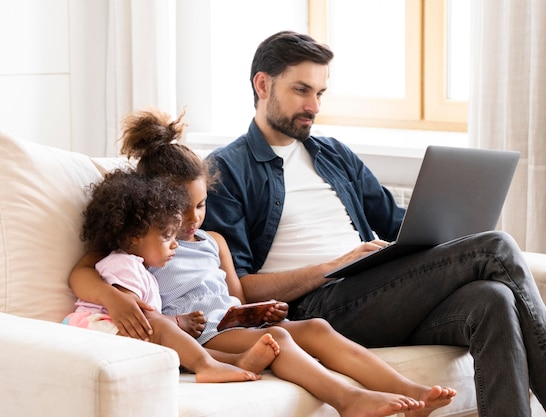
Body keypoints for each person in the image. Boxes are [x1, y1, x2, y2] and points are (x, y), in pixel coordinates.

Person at [200, 30, 546, 417]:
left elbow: (396, 224)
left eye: (320, 93)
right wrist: (331, 268)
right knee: (494, 248)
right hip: (315, 310)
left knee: (493, 299)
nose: (314, 107)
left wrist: (449, 221)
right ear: (262, 85)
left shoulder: (333, 154)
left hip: (374, 293)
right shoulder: (225, 169)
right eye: (301, 90)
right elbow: (241, 288)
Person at [69, 108, 457, 417]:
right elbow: (81, 274)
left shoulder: (213, 242)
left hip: (228, 326)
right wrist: (115, 299)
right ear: (154, 205)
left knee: (317, 326)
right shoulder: (143, 245)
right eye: (180, 210)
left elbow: (234, 299)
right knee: (282, 339)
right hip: (198, 338)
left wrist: (255, 313)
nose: (193, 220)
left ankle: (409, 393)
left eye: (201, 205)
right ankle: (348, 400)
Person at [63, 169, 279, 383]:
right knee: (160, 329)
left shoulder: (141, 270)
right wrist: (176, 321)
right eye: (167, 236)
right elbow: (138, 315)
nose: (175, 243)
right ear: (135, 237)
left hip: (116, 333)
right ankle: (206, 365)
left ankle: (234, 361)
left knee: (169, 341)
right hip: (98, 331)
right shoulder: (124, 265)